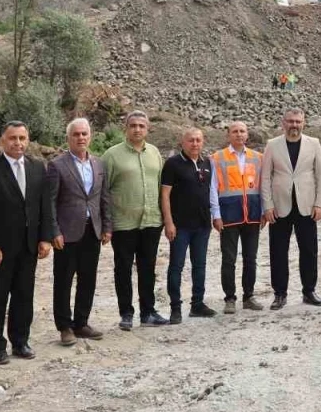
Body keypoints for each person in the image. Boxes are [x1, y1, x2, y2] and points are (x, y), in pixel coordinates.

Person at [0, 120, 50, 364]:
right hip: (0, 249)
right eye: (12, 138)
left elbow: (44, 206)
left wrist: (45, 237)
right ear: (2, 141)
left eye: (22, 138)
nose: (18, 143)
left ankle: (20, 341)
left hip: (29, 246)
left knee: (24, 295)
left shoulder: (37, 168)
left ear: (28, 140)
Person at [46, 118, 112, 346]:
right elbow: (50, 202)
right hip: (66, 233)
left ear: (90, 136)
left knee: (88, 279)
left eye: (84, 134)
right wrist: (54, 231)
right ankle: (65, 327)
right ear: (68, 138)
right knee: (63, 281)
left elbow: (104, 197)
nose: (81, 138)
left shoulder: (98, 164)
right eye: (76, 134)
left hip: (92, 230)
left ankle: (81, 323)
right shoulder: (57, 165)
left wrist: (107, 226)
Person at [102, 111, 168, 330]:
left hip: (151, 221)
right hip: (123, 223)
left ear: (147, 129)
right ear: (126, 128)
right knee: (123, 269)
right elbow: (103, 191)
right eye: (133, 125)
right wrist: (106, 223)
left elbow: (161, 186)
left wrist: (165, 218)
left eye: (141, 126)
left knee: (147, 268)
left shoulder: (155, 153)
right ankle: (126, 313)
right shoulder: (112, 155)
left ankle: (148, 312)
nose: (137, 129)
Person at [261, 107, 321, 309]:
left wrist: (320, 204)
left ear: (303, 123)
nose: (294, 125)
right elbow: (265, 177)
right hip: (279, 207)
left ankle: (309, 291)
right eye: (290, 121)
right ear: (283, 123)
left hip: (306, 206)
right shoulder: (272, 145)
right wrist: (267, 205)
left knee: (309, 250)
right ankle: (280, 294)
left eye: (298, 122)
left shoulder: (314, 143)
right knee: (278, 252)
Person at [161, 127, 217, 323]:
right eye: (191, 140)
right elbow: (165, 195)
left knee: (199, 265)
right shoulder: (172, 164)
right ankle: (175, 308)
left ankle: (197, 304)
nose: (195, 144)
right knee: (176, 266)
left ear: (203, 142)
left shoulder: (207, 163)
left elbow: (211, 192)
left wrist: (215, 216)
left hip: (202, 225)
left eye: (198, 140)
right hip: (180, 226)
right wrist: (168, 222)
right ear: (183, 142)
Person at [210, 121, 264, 313]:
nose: (239, 134)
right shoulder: (217, 158)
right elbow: (213, 189)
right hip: (228, 215)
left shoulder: (258, 158)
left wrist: (263, 211)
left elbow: (263, 186)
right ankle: (230, 298)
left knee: (251, 258)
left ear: (247, 135)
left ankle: (249, 296)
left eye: (242, 131)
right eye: (235, 131)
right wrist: (216, 215)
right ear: (228, 135)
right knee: (229, 259)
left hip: (252, 215)